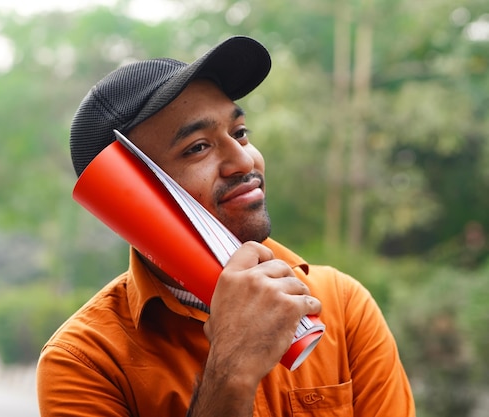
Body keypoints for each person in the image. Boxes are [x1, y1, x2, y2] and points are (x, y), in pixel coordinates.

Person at [36, 36, 415, 416]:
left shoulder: (342, 305)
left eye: (239, 133)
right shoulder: (84, 360)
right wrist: (230, 369)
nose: (244, 160)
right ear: (126, 198)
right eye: (198, 147)